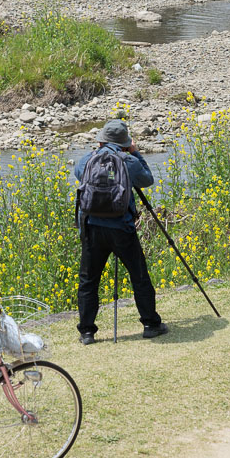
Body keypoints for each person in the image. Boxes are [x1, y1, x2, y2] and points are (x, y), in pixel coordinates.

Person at [74, 120, 167, 344]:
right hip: (121, 227)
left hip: (92, 227)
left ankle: (87, 332)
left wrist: (98, 152)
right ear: (125, 142)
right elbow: (147, 179)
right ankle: (150, 324)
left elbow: (80, 176)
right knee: (139, 276)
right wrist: (135, 153)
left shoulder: (88, 159)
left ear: (102, 139)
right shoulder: (128, 160)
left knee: (89, 280)